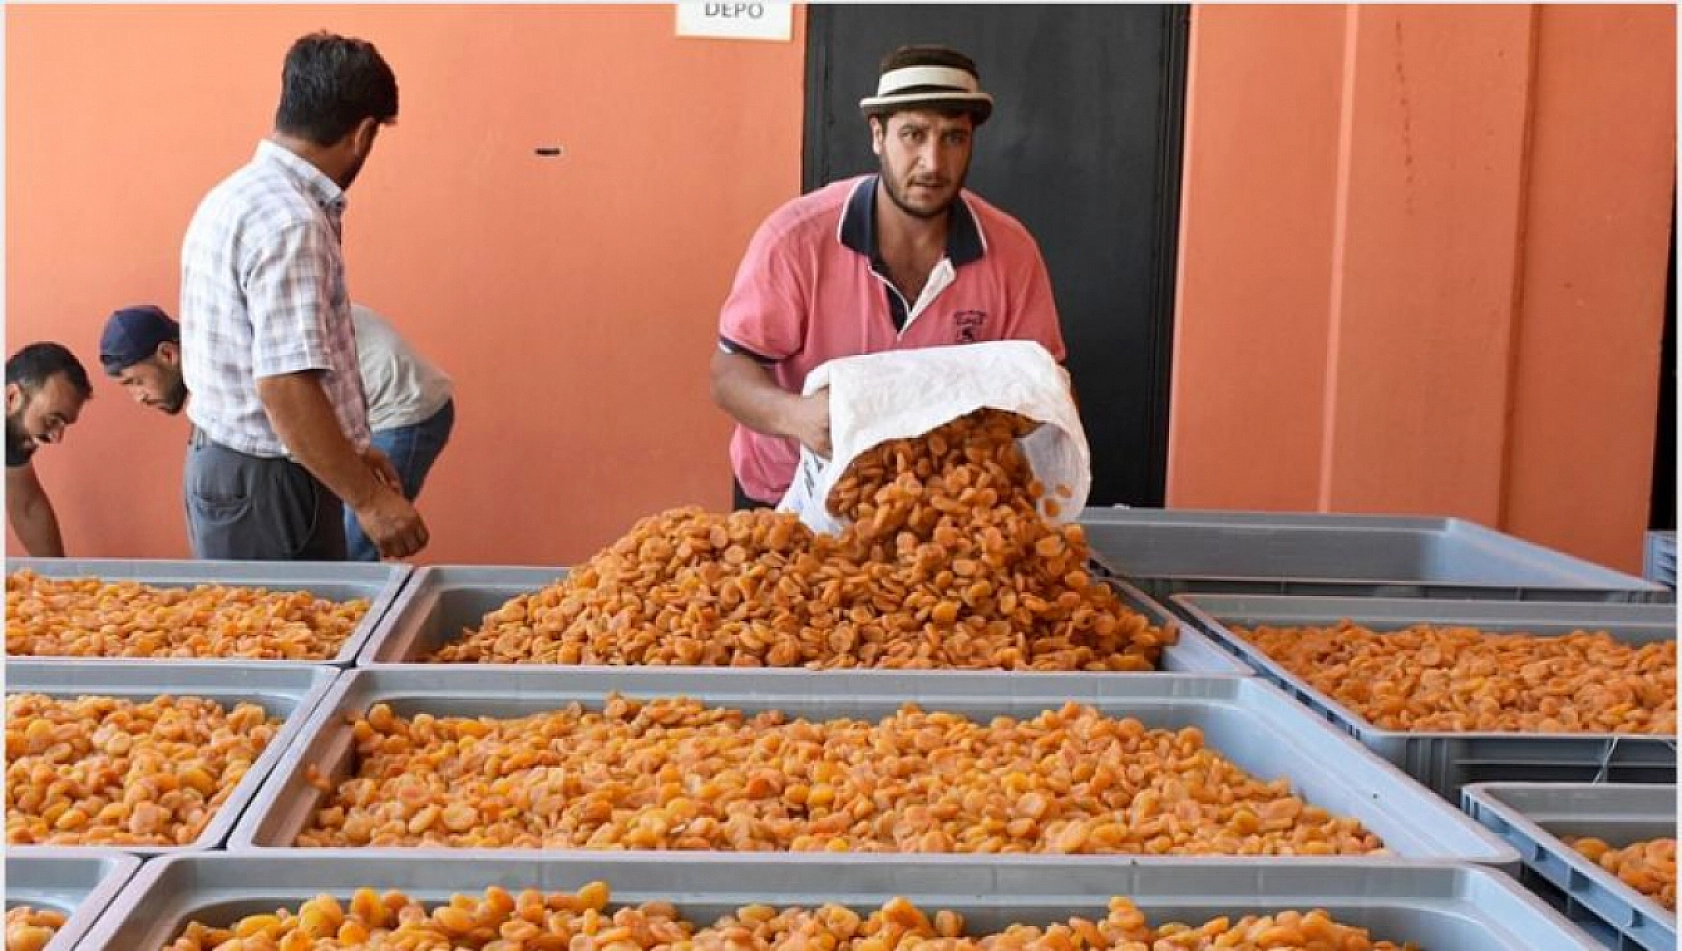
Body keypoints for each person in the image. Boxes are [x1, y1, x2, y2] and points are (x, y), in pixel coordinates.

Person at [710, 44, 1067, 510]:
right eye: (913, 135)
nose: (933, 163)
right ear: (878, 136)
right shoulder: (796, 239)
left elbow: (1045, 381)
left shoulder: (1011, 251)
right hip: (787, 496)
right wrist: (797, 417)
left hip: (935, 508)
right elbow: (728, 373)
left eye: (953, 138)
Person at [178, 31, 427, 561]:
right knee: (286, 639)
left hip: (232, 466)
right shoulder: (292, 222)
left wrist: (354, 452)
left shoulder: (235, 195)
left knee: (256, 634)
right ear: (362, 134)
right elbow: (285, 387)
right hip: (271, 484)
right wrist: (368, 501)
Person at [99, 303, 456, 563]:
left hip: (401, 406)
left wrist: (361, 471)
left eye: (135, 381)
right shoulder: (219, 351)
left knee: (356, 546)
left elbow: (292, 409)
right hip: (362, 408)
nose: (138, 397)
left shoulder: (234, 348)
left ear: (167, 354)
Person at [5, 343, 93, 557]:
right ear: (12, 398)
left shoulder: (13, 436)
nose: (56, 437)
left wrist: (58, 581)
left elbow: (28, 506)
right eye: (52, 420)